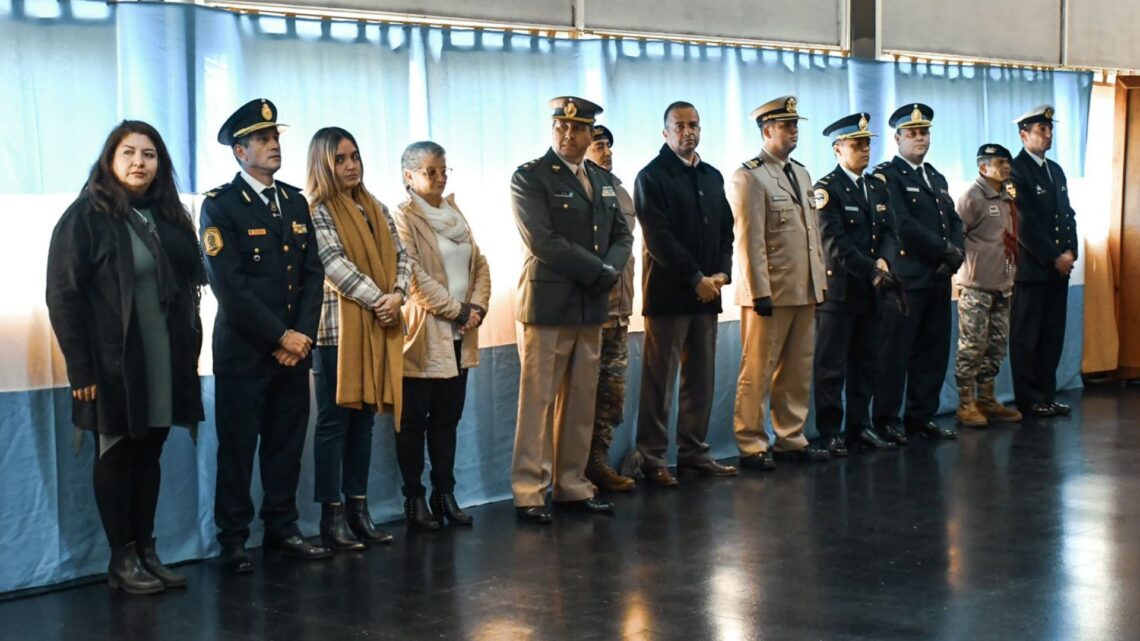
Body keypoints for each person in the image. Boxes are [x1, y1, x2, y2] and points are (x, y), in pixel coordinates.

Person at [46, 120, 206, 594]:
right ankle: (122, 559)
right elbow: (62, 295)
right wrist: (81, 369)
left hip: (164, 359)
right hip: (111, 364)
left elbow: (191, 285)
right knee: (117, 454)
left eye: (150, 154)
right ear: (110, 161)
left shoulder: (172, 216)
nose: (140, 162)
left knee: (149, 453)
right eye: (129, 153)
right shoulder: (85, 217)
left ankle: (146, 550)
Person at [200, 99, 330, 572]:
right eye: (262, 139)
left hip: (293, 352)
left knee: (286, 444)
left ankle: (283, 527)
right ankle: (233, 539)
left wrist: (302, 337)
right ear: (240, 151)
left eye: (276, 137)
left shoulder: (295, 201)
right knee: (237, 448)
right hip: (246, 352)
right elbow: (228, 287)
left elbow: (313, 276)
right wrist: (280, 336)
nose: (274, 145)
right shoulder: (221, 206)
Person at [510, 96, 633, 524]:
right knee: (538, 403)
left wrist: (609, 271)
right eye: (561, 127)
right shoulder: (530, 177)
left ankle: (572, 486)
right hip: (548, 304)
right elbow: (542, 241)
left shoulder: (600, 178)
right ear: (553, 130)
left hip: (590, 304)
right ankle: (529, 491)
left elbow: (623, 233)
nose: (568, 134)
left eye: (577, 129)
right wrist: (599, 271)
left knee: (581, 401)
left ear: (589, 134)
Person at [306, 126, 406, 547]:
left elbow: (403, 256)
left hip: (377, 327)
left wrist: (398, 295)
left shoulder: (376, 207)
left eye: (355, 157)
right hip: (336, 334)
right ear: (324, 165)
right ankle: (331, 520)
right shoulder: (315, 209)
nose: (351, 166)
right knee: (333, 423)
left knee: (363, 424)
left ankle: (358, 510)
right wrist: (380, 300)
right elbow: (332, 264)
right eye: (341, 160)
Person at [634, 101, 737, 486]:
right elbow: (658, 238)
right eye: (678, 126)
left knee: (701, 379)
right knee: (659, 383)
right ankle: (652, 457)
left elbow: (727, 229)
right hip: (668, 297)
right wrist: (695, 276)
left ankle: (694, 453)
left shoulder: (712, 176)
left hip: (708, 295)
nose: (687, 132)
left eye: (693, 125)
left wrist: (722, 273)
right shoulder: (651, 176)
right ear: (665, 133)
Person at [393, 141, 491, 527]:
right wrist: (459, 311)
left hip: (460, 334)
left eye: (443, 170)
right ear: (409, 176)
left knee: (447, 419)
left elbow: (479, 263)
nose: (438, 177)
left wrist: (477, 309)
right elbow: (414, 277)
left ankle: (445, 493)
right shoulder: (403, 217)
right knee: (414, 421)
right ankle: (414, 499)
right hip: (423, 335)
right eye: (429, 171)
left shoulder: (454, 212)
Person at [729, 96, 829, 471]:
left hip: (803, 288)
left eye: (795, 125)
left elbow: (810, 235)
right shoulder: (749, 176)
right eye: (787, 126)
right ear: (767, 130)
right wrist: (759, 292)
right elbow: (749, 240)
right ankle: (751, 442)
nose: (794, 132)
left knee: (797, 368)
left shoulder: (801, 173)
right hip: (770, 292)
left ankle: (790, 436)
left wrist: (819, 283)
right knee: (757, 370)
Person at [812, 112, 903, 456]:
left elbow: (891, 233)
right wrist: (872, 268)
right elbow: (834, 244)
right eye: (857, 144)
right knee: (831, 367)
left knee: (867, 362)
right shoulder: (826, 190)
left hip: (872, 290)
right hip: (840, 292)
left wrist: (884, 261)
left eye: (867, 143)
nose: (865, 150)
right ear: (838, 149)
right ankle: (830, 432)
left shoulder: (877, 186)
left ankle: (860, 427)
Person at [871, 103, 962, 442]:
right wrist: (945, 250)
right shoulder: (887, 176)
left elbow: (953, 220)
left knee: (933, 351)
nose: (920, 138)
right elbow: (902, 225)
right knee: (895, 354)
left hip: (938, 277)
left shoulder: (935, 176)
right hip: (907, 279)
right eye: (912, 133)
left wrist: (956, 253)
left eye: (924, 132)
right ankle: (886, 420)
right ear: (897, 138)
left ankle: (921, 416)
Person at [1009, 105, 1078, 418]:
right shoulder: (1015, 170)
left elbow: (1067, 215)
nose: (1048, 135)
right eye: (1041, 130)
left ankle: (1047, 395)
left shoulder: (1056, 170)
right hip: (1032, 269)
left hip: (1058, 270)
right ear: (1024, 135)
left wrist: (1071, 252)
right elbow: (1023, 223)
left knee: (1052, 335)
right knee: (1028, 337)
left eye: (1050, 129)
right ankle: (1029, 398)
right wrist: (1054, 256)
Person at [582, 125, 638, 492]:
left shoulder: (618, 187)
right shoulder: (578, 189)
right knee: (582, 393)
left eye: (607, 146)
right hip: (590, 308)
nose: (607, 151)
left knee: (612, 393)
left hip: (620, 307)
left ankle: (598, 460)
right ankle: (574, 467)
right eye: (598, 146)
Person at [954, 144, 1024, 427]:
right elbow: (955, 235)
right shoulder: (972, 196)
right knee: (972, 347)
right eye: (1000, 162)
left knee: (995, 348)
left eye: (1008, 162)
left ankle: (986, 399)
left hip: (1002, 284)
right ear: (983, 167)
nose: (1007, 167)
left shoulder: (1007, 195)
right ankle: (965, 404)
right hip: (977, 286)